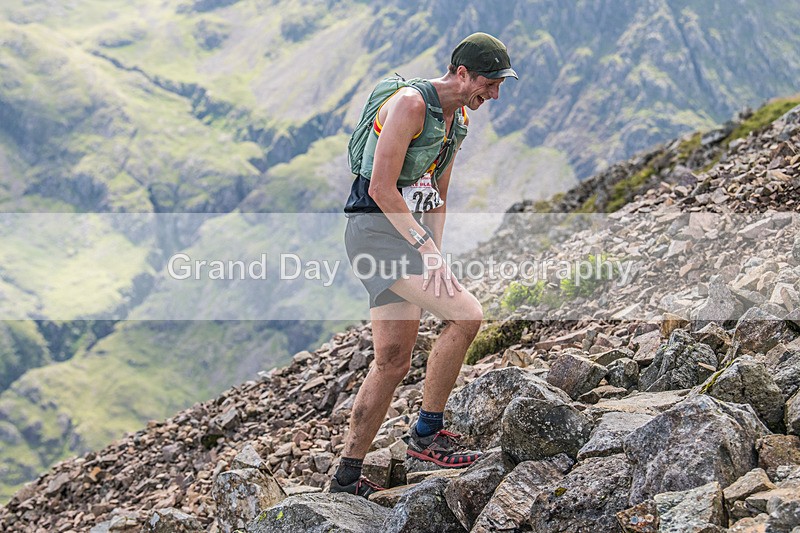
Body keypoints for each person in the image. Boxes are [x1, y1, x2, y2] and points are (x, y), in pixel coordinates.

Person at [331, 32, 518, 497]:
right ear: (461, 73)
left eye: (498, 85)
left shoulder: (457, 123)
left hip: (404, 238)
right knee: (467, 315)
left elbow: (438, 195)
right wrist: (424, 247)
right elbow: (380, 188)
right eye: (489, 83)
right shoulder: (411, 105)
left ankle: (345, 479)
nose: (493, 94)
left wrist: (435, 251)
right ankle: (427, 436)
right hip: (374, 234)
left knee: (392, 362)